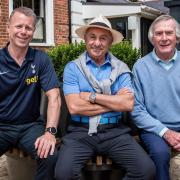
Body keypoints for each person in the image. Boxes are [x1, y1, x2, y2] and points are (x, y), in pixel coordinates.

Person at [55, 14, 155, 180]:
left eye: (103, 38)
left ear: (109, 42)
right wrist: (114, 101)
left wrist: (91, 96)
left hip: (115, 132)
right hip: (80, 132)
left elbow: (128, 104)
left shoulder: (121, 68)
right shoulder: (72, 68)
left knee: (146, 170)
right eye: (92, 37)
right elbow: (74, 107)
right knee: (63, 174)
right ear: (85, 39)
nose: (97, 43)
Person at [0, 7, 61, 180]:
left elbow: (54, 97)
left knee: (50, 156)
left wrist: (50, 132)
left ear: (34, 31)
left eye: (28, 28)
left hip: (30, 126)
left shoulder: (41, 59)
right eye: (19, 26)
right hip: (2, 126)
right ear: (8, 28)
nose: (23, 32)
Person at [131, 14, 180, 180]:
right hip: (154, 129)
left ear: (177, 37)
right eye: (159, 33)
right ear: (153, 39)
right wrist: (165, 132)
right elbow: (137, 109)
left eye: (169, 33)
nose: (164, 38)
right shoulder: (140, 67)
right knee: (160, 154)